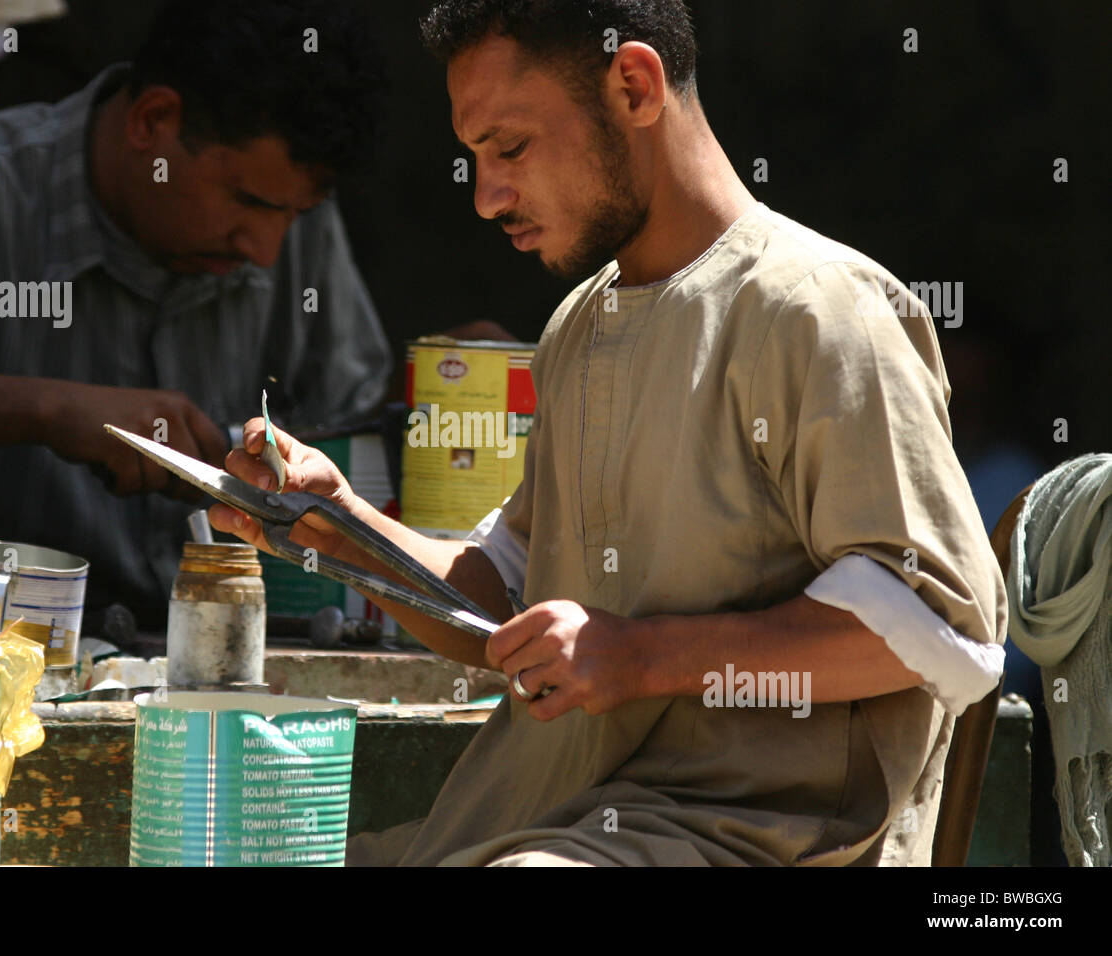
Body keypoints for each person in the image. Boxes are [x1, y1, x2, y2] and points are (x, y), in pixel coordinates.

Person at [210, 0, 1006, 866]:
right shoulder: (575, 330)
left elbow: (943, 634)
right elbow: (502, 604)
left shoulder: (817, 306)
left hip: (735, 839)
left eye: (510, 147)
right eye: (472, 159)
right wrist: (341, 526)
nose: (486, 198)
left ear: (633, 85)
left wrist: (642, 656)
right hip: (535, 821)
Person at [0, 0, 394, 629]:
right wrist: (39, 409)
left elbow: (354, 435)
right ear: (153, 120)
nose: (265, 253)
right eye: (245, 201)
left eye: (292, 215)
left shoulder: (289, 212)